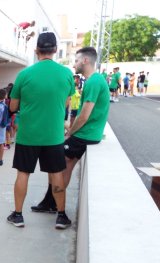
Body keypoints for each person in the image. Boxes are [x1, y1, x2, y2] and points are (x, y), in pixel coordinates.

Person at [8, 32, 75, 229]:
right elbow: (67, 101)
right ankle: (61, 215)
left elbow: (13, 106)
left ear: (37, 50)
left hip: (28, 134)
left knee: (23, 173)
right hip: (53, 135)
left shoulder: (25, 74)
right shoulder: (66, 74)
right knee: (56, 174)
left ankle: (18, 215)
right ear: (55, 50)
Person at [31, 47, 110, 215]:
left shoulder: (94, 81)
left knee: (56, 166)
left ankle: (54, 204)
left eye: (76, 60)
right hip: (88, 134)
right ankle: (50, 202)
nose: (74, 64)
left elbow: (84, 115)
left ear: (85, 61)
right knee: (60, 166)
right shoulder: (96, 80)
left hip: (84, 135)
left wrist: (70, 132)